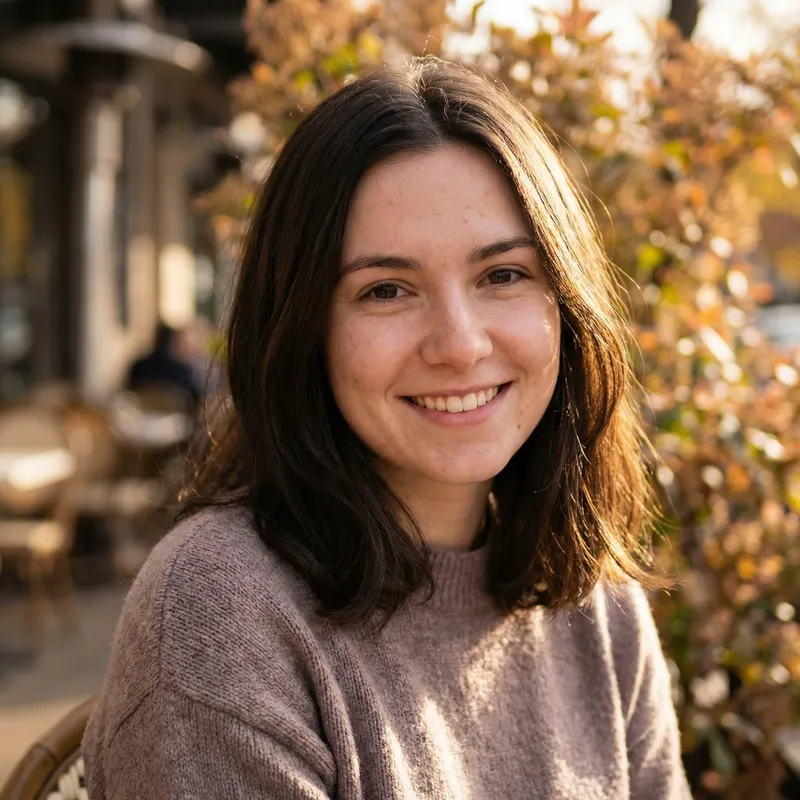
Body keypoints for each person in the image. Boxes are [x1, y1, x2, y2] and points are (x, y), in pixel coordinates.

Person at [83, 58, 691, 798]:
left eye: (502, 274)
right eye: (387, 290)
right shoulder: (223, 612)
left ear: (564, 303)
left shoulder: (599, 606)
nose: (461, 344)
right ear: (302, 328)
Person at [125, 322, 204, 409]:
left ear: (155, 339)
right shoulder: (182, 371)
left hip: (138, 419)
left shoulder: (138, 366)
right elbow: (198, 398)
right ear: (173, 342)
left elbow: (126, 390)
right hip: (176, 421)